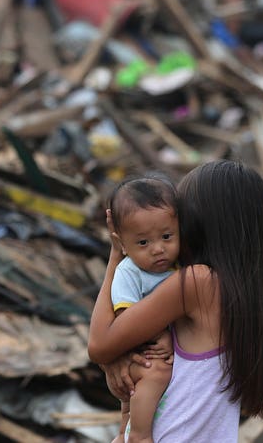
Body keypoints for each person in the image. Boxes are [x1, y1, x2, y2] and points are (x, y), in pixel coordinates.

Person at [88, 160, 263, 442]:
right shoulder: (254, 295)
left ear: (202, 222)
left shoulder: (197, 282)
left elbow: (99, 344)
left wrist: (118, 254)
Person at [106, 174, 180, 442]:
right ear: (122, 244)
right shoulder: (129, 273)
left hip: (150, 356)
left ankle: (123, 434)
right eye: (143, 243)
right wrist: (162, 337)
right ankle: (139, 436)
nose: (158, 249)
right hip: (137, 354)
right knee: (157, 374)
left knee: (132, 405)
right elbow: (125, 317)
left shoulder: (180, 268)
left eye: (167, 236)